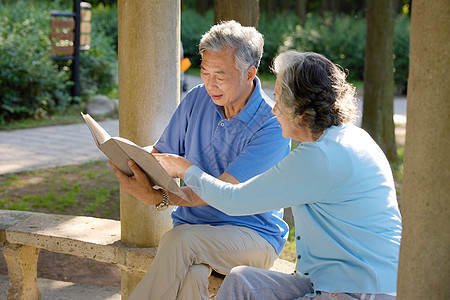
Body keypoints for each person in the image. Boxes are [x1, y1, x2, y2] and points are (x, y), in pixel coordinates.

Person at [152, 51, 403, 299]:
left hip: (359, 290)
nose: (273, 111)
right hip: (328, 281)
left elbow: (234, 201)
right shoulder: (348, 137)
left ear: (301, 111)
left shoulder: (319, 157)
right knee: (241, 281)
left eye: (279, 101)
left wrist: (184, 168)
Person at [111, 20, 291, 299]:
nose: (210, 83)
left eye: (220, 74)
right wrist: (131, 159)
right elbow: (162, 154)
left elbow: (223, 193)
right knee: (193, 277)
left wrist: (159, 198)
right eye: (204, 72)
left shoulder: (272, 124)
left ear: (249, 73)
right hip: (196, 230)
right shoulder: (197, 98)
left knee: (179, 241)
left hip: (254, 236)